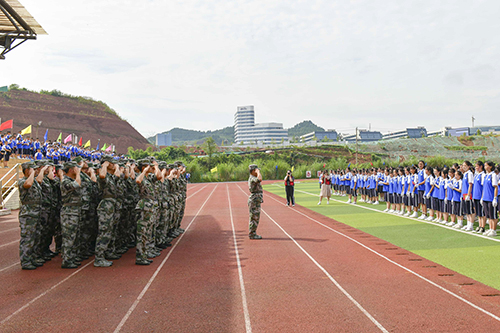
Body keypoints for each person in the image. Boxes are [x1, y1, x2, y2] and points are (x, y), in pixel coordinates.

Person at [60, 161, 82, 269]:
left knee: (74, 236)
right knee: (69, 237)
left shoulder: (70, 180)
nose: (78, 170)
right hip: (69, 212)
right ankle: (66, 260)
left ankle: (71, 258)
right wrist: (78, 174)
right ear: (71, 170)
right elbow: (77, 185)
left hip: (74, 211)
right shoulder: (65, 180)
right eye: (76, 168)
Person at [248, 164, 263, 239]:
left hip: (256, 200)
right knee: (254, 218)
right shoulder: (253, 178)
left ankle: (253, 233)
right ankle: (252, 234)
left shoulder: (253, 177)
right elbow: (259, 179)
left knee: (255, 217)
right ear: (253, 171)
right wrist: (258, 172)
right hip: (254, 200)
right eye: (256, 170)